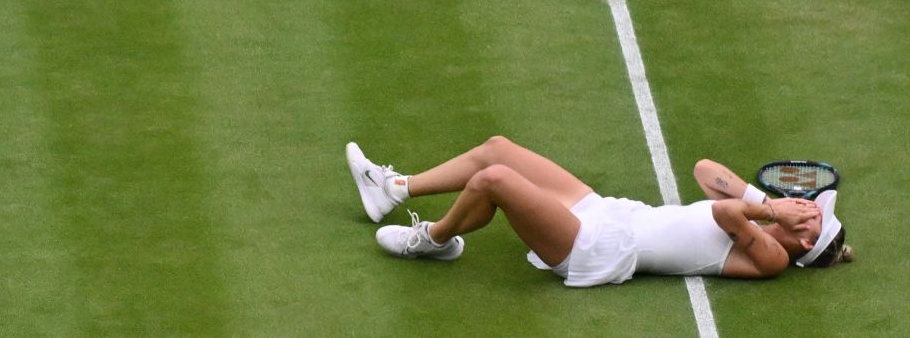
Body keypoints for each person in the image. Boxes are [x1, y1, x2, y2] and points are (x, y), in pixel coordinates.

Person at [345, 136, 851, 287]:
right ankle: (392, 187)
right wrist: (770, 207)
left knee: (493, 182)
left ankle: (431, 240)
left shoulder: (775, 260)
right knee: (497, 150)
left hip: (601, 249)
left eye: (811, 213)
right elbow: (703, 169)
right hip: (610, 212)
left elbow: (724, 216)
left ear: (807, 242)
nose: (803, 205)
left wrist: (770, 211)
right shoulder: (763, 216)